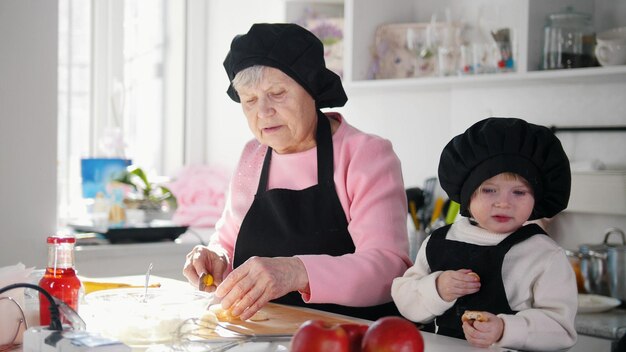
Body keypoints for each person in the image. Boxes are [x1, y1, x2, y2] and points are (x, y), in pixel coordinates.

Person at [183, 23, 411, 321]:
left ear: (311, 90)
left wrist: (296, 272)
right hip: (265, 334)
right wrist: (214, 259)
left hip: (347, 335)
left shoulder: (365, 155)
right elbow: (227, 243)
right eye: (249, 100)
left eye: (277, 93)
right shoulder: (252, 156)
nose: (263, 111)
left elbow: (389, 269)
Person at [391, 117, 578, 351]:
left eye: (519, 192)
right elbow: (405, 301)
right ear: (467, 195)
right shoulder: (439, 241)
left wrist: (504, 329)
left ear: (536, 199)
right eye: (489, 190)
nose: (503, 203)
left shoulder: (544, 255)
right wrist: (437, 288)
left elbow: (562, 331)